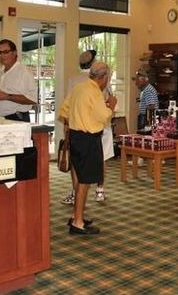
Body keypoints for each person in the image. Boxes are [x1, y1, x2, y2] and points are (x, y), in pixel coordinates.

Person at [59, 61, 117, 235]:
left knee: (79, 180)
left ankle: (77, 216)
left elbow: (64, 111)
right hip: (88, 140)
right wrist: (111, 106)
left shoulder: (79, 88)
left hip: (76, 137)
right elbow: (103, 117)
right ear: (104, 77)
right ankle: (78, 222)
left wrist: (78, 119)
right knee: (85, 183)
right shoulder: (95, 92)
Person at [0, 39, 37, 122]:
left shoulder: (24, 71)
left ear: (15, 53)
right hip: (0, 119)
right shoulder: (1, 71)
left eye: (6, 52)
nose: (2, 55)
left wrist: (8, 96)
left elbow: (33, 99)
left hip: (16, 119)